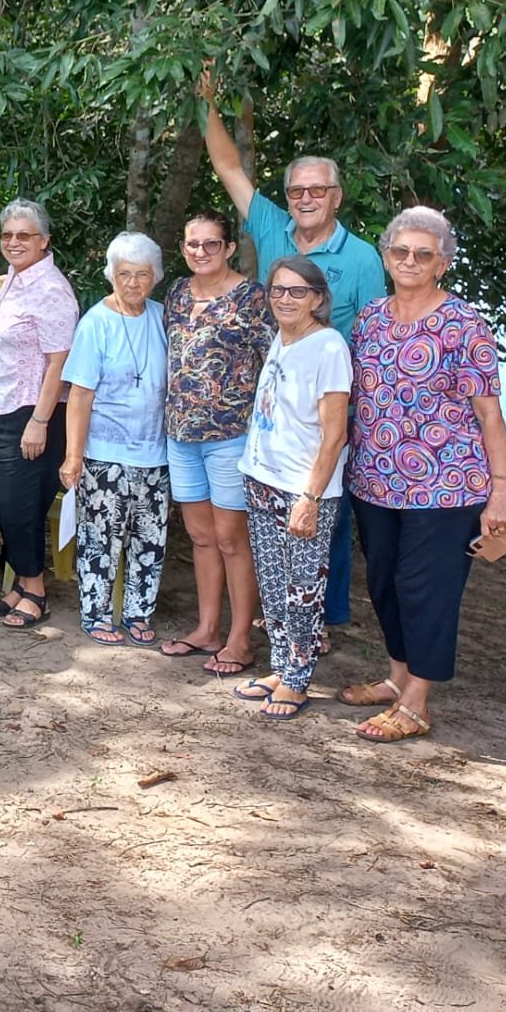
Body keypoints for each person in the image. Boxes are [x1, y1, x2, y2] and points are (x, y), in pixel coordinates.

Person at [199, 64, 386, 633]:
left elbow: (376, 341)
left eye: (317, 190)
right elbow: (227, 165)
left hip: (330, 410)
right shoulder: (273, 226)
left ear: (336, 196)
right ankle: (287, 623)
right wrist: (206, 98)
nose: (305, 198)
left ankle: (321, 626)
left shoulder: (362, 259)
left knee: (326, 519)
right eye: (297, 190)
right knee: (275, 518)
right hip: (276, 405)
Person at [341, 207, 506, 743]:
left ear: (442, 263)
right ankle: (397, 679)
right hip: (374, 481)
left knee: (426, 590)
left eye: (423, 254)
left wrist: (503, 490)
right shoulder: (371, 318)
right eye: (400, 251)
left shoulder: (466, 324)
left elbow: (489, 413)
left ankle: (417, 703)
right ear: (386, 256)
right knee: (386, 583)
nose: (410, 261)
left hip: (448, 487)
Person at [233, 256, 353, 721]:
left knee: (303, 587)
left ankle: (299, 680)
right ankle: (282, 667)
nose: (285, 299)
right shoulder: (281, 339)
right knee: (273, 583)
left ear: (318, 299)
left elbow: (334, 434)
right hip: (262, 477)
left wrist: (310, 498)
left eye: (297, 292)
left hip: (303, 490)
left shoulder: (328, 348)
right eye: (278, 290)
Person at [159, 210, 273, 675]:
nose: (200, 252)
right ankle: (207, 629)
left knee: (231, 539)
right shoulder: (178, 294)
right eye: (192, 244)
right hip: (181, 435)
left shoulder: (253, 298)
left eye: (210, 244)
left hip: (232, 435)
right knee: (202, 537)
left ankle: (240, 639)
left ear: (228, 247)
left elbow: (273, 366)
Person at [58, 233, 171, 648]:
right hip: (104, 453)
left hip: (155, 453)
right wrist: (73, 457)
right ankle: (97, 612)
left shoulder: (162, 318)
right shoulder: (96, 323)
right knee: (101, 539)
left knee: (149, 538)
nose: (133, 283)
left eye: (143, 274)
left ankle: (139, 612)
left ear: (155, 278)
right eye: (125, 274)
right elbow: (80, 395)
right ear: (111, 275)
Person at [0, 199, 79, 628]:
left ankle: (35, 588)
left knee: (22, 504)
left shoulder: (51, 290)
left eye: (25, 235)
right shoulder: (12, 281)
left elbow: (60, 360)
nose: (14, 242)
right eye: (8, 235)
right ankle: (18, 583)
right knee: (4, 498)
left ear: (44, 241)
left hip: (29, 411)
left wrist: (39, 420)